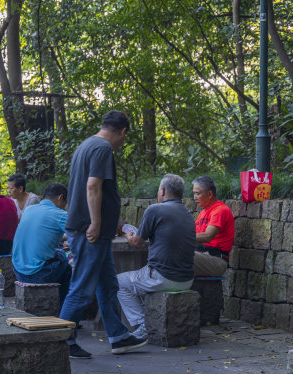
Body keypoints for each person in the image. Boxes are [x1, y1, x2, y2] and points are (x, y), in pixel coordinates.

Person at [59, 110, 145, 358]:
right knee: (82, 287)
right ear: (123, 132)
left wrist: (108, 222)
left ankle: (118, 337)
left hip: (96, 232)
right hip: (90, 231)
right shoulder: (102, 148)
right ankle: (63, 341)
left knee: (108, 285)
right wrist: (96, 223)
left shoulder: (86, 145)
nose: (122, 143)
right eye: (124, 138)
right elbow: (93, 186)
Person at [117, 174, 196, 341]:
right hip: (187, 279)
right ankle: (150, 321)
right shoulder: (187, 213)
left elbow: (138, 241)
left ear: (162, 190)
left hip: (163, 277)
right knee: (138, 281)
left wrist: (129, 235)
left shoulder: (155, 209)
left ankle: (142, 326)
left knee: (118, 282)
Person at [12, 183, 72, 310]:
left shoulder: (29, 210)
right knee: (69, 262)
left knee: (60, 252)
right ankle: (65, 311)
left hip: (18, 270)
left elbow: (44, 235)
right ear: (61, 198)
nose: (65, 207)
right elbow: (79, 235)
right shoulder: (60, 214)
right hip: (37, 273)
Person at [192, 175, 235, 277]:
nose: (194, 197)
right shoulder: (203, 213)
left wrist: (180, 238)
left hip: (215, 260)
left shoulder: (220, 210)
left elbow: (207, 236)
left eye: (197, 194)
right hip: (201, 255)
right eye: (194, 194)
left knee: (176, 254)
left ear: (209, 194)